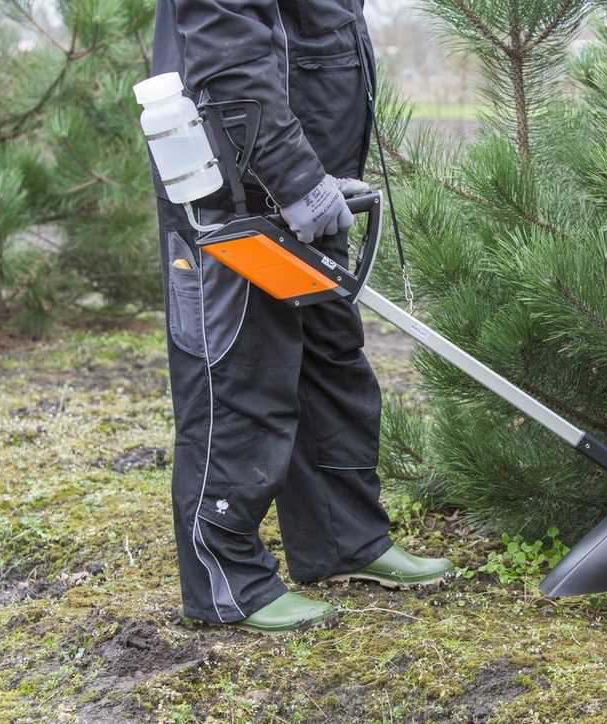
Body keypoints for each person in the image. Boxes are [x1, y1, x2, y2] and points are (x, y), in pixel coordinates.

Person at [148, 0, 453, 633]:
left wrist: (313, 177)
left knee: (329, 356)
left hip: (311, 176)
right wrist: (289, 177)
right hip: (233, 184)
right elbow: (226, 47)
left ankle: (345, 538)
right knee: (241, 369)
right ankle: (226, 575)